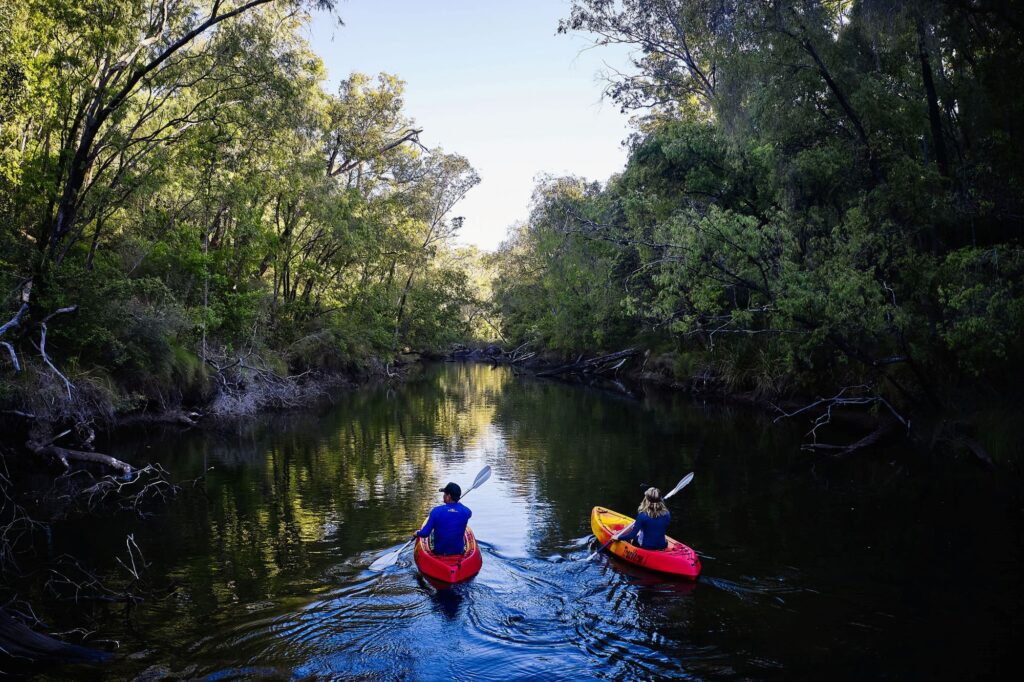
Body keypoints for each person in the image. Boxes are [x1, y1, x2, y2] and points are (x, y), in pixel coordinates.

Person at [414, 482, 472, 555]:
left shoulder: (436, 511)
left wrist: (417, 533)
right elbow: (462, 512)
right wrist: (458, 504)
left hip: (440, 553)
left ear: (448, 496)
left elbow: (425, 533)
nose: (443, 496)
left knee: (433, 533)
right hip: (459, 552)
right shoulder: (466, 511)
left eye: (444, 494)